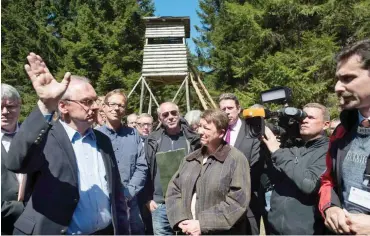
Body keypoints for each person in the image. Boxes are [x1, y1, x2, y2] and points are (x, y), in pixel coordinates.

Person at [4, 52, 129, 235]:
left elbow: (116, 194)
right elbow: (16, 162)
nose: (95, 106)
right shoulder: (45, 136)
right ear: (63, 106)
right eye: (87, 101)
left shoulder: (103, 141)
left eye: (95, 100)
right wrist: (46, 106)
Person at [166, 109, 251, 235]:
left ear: (221, 133)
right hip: (188, 231)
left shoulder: (236, 159)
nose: (200, 131)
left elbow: (238, 201)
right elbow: (174, 190)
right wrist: (181, 219)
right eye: (200, 126)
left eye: (206, 128)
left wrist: (202, 224)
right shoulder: (190, 159)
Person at [319, 39, 370, 235]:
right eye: (338, 79)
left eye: (348, 78)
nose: (338, 87)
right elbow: (327, 181)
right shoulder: (341, 132)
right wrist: (330, 208)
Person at [262, 103, 330, 234]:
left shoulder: (329, 151)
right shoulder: (293, 148)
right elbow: (274, 177)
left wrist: (277, 151)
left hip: (306, 231)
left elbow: (309, 184)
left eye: (310, 117)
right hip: (274, 227)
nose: (304, 121)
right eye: (302, 118)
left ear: (326, 124)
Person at [142, 101, 201, 235]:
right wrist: (148, 199)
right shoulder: (152, 140)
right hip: (160, 204)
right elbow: (146, 169)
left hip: (187, 202)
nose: (170, 117)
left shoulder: (192, 139)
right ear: (160, 118)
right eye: (165, 114)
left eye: (174, 113)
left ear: (179, 114)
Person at [97, 89, 147, 235]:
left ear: (124, 110)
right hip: (103, 203)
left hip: (130, 200)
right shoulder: (95, 136)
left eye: (121, 105)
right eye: (112, 104)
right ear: (104, 107)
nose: (116, 108)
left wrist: (128, 193)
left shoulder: (133, 135)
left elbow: (141, 167)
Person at [218, 93, 263, 234]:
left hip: (248, 198)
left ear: (238, 109)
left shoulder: (251, 131)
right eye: (223, 109)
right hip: (220, 200)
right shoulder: (217, 132)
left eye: (230, 108)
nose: (226, 112)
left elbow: (255, 165)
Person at [1, 84, 25, 234]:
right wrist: (23, 209)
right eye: (0, 106)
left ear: (19, 106)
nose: (5, 112)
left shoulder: (34, 136)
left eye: (10, 107)